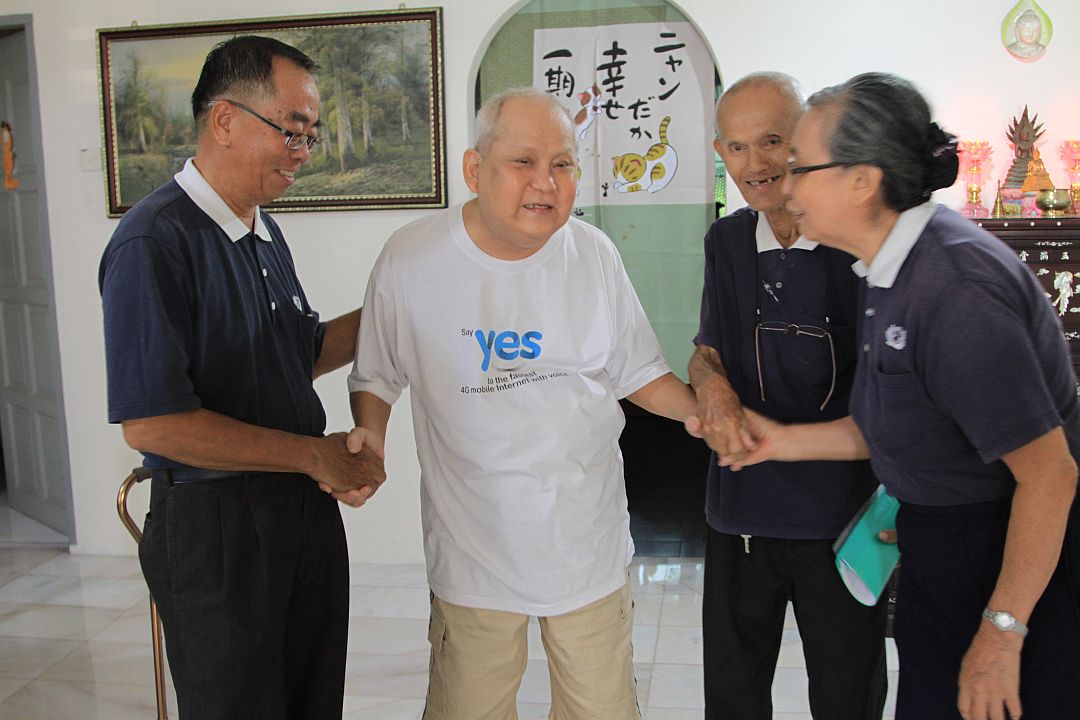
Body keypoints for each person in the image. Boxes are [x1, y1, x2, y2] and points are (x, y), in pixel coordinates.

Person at [727, 72, 1080, 720]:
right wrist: (779, 441)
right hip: (935, 542)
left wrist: (1004, 632)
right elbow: (895, 414)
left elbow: (1051, 475)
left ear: (863, 181)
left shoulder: (956, 291)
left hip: (1006, 554)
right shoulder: (884, 266)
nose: (783, 180)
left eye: (802, 167)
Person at [343, 87, 698, 720]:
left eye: (563, 164)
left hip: (584, 541)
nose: (546, 183)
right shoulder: (412, 258)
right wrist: (369, 435)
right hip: (472, 550)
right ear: (475, 170)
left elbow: (639, 372)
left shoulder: (594, 255)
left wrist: (703, 413)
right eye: (524, 163)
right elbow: (376, 373)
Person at [99, 35, 385, 720]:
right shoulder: (154, 242)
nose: (302, 151)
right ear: (224, 120)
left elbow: (296, 352)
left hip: (300, 513)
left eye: (311, 135)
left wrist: (399, 305)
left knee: (311, 699)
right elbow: (154, 420)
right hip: (218, 528)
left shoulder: (261, 232)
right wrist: (312, 454)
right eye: (292, 130)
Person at [688, 72, 886, 720]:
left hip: (841, 518)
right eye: (738, 148)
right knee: (735, 694)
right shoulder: (726, 241)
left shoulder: (852, 243)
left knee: (846, 692)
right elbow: (708, 345)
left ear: (802, 140)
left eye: (771, 141)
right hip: (742, 507)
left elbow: (888, 395)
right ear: (721, 155)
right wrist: (711, 384)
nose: (756, 163)